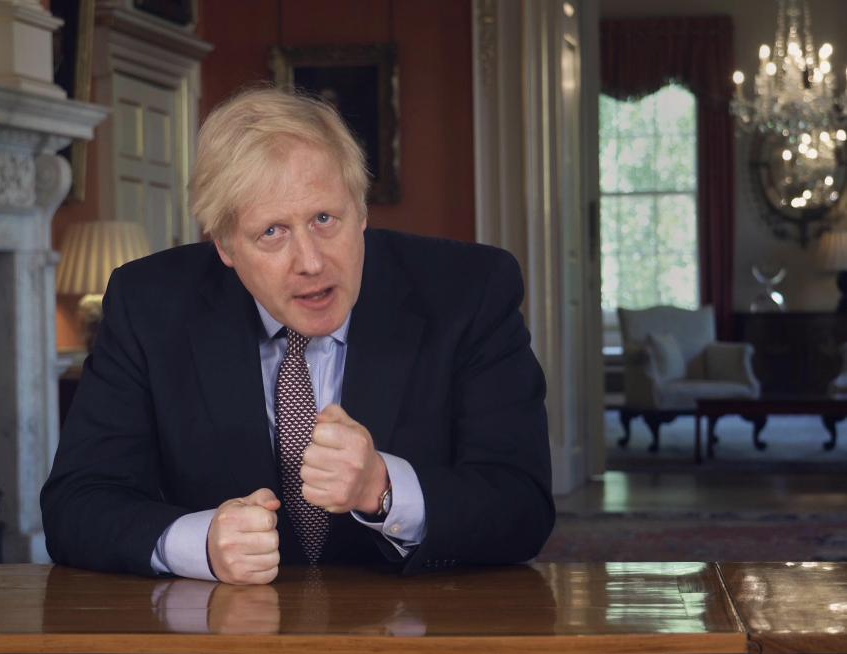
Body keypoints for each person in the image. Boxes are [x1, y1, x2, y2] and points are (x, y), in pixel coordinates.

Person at [41, 86, 554, 585]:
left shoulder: (469, 291)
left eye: (325, 219)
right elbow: (76, 504)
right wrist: (201, 544)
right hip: (228, 636)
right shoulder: (149, 304)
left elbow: (523, 506)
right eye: (272, 232)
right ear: (224, 243)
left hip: (416, 628)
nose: (310, 263)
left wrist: (383, 488)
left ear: (362, 210)